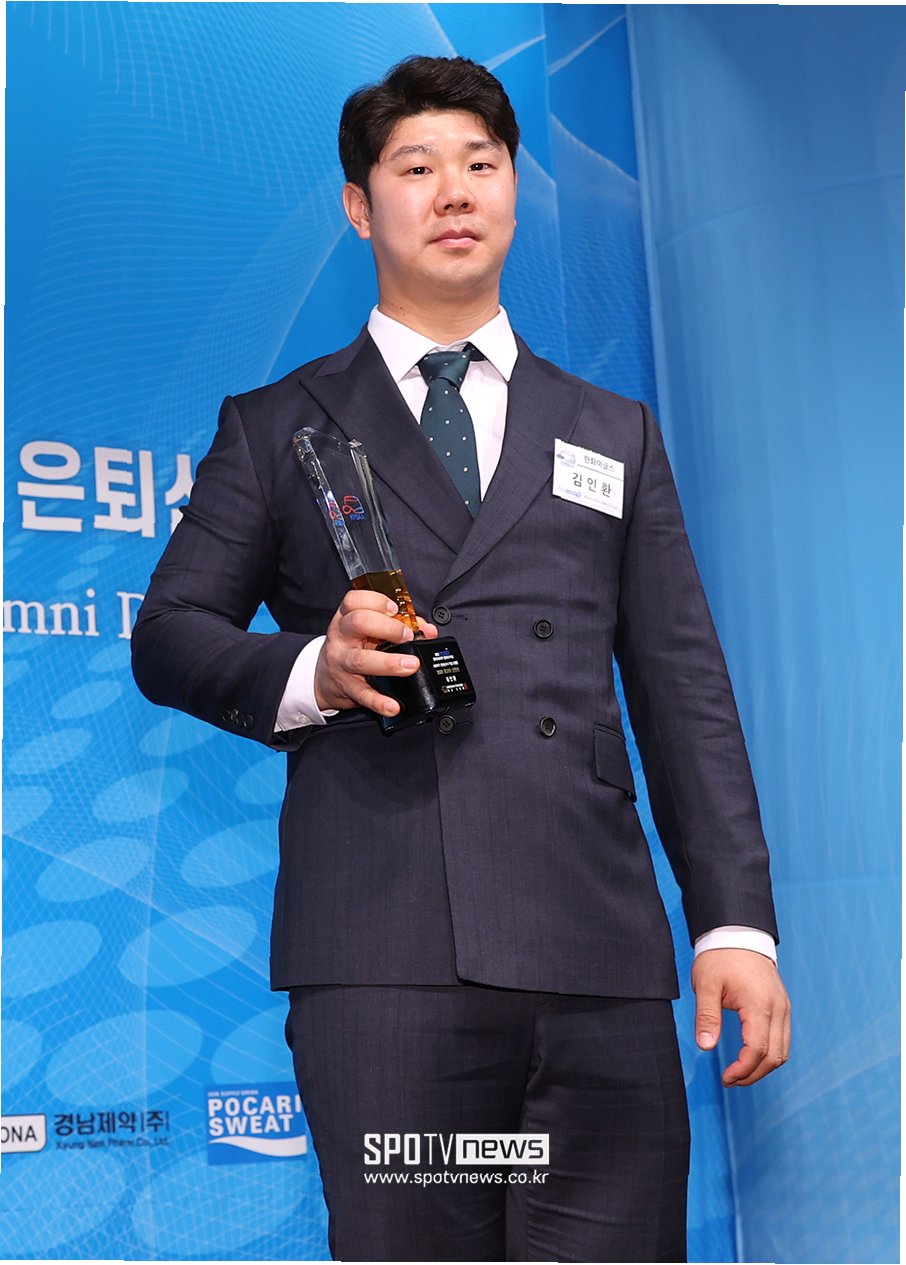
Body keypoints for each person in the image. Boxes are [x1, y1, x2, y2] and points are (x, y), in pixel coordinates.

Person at [132, 54, 790, 1264]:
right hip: (388, 961)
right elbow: (170, 635)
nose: (454, 191)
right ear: (359, 204)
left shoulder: (613, 431)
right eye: (417, 166)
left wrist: (735, 926)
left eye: (481, 164)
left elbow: (685, 690)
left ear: (515, 191)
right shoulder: (277, 427)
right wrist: (316, 671)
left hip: (597, 960)